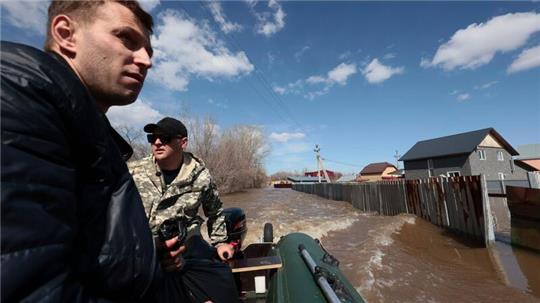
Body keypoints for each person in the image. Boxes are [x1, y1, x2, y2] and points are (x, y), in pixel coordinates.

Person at [1, 1, 178, 301]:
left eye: (148, 50)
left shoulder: (90, 130)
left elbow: (85, 249)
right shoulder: (18, 93)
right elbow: (29, 286)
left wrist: (147, 255)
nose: (146, 60)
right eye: (127, 39)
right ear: (66, 34)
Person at [129, 117, 235, 261]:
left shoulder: (201, 176)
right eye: (152, 138)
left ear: (183, 142)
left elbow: (215, 212)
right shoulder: (133, 172)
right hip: (142, 249)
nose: (157, 142)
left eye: (165, 138)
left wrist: (220, 243)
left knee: (221, 278)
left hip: (186, 249)